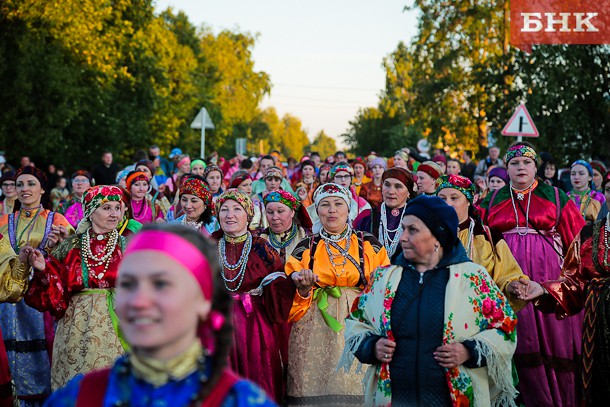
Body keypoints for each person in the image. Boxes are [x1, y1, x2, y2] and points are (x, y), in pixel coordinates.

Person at [44, 224, 277, 406]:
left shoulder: (238, 400)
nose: (140, 301)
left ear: (203, 302)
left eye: (162, 284)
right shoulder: (80, 397)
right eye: (128, 283)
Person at [341, 195, 518, 406]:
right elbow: (355, 322)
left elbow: (505, 328)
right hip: (396, 396)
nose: (402, 237)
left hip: (452, 397)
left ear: (438, 236)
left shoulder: (473, 278)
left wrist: (469, 351)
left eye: (412, 230)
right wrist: (372, 346)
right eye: (403, 229)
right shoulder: (383, 278)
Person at [479, 142, 586, 407]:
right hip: (507, 282)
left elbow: (578, 242)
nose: (521, 168)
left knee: (554, 339)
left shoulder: (557, 197)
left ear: (535, 167)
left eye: (526, 163)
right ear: (507, 168)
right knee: (517, 338)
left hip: (548, 281)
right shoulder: (492, 200)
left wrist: (571, 282)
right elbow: (479, 239)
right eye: (514, 164)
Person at [284, 183, 390, 405]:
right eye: (325, 205)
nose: (332, 210)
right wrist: (303, 288)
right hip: (313, 326)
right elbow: (290, 292)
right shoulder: (305, 247)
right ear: (316, 210)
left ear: (348, 209)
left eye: (338, 204)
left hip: (356, 322)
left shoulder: (368, 243)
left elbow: (384, 285)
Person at [518, 171, 610, 406]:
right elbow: (575, 283)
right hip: (597, 329)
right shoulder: (591, 234)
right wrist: (544, 290)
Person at [23, 186, 127, 390]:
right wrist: (44, 269)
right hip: (76, 326)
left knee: (112, 386)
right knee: (77, 384)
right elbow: (55, 289)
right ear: (90, 211)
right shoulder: (71, 245)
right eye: (107, 208)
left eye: (118, 208)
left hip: (117, 325)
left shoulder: (128, 245)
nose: (114, 214)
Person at [213, 189, 295, 403]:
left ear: (248, 215)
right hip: (217, 324)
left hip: (254, 327)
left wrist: (297, 286)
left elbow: (279, 288)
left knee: (258, 375)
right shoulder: (209, 245)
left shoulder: (261, 247)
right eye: (224, 210)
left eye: (237, 209)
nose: (230, 215)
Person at [0, 166, 73, 405]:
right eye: (20, 184)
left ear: (43, 189)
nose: (24, 189)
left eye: (31, 184)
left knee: (44, 356)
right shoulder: (3, 221)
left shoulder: (57, 221)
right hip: (8, 300)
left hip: (41, 301)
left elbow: (71, 262)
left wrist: (57, 247)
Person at [435, 174, 528, 311]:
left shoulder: (488, 236)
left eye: (454, 198)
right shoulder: (426, 234)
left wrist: (511, 286)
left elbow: (506, 274)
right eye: (442, 199)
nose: (447, 203)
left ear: (468, 201)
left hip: (478, 312)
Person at [355, 168, 416, 259]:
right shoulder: (367, 217)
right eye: (387, 185)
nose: (391, 191)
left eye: (398, 186)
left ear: (408, 193)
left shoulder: (416, 219)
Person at [259, 190, 311, 261]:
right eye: (270, 212)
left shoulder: (307, 237)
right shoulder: (258, 239)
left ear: (292, 212)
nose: (274, 217)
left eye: (280, 211)